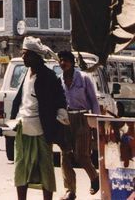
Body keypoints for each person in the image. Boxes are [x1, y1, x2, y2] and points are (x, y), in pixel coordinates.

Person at [11, 36, 69, 200]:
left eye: (26, 54)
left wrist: (61, 114)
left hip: (43, 129)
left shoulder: (49, 76)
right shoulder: (25, 73)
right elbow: (20, 99)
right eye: (23, 54)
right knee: (21, 167)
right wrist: (13, 119)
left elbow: (60, 98)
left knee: (45, 168)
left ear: (36, 56)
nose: (23, 57)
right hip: (24, 126)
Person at [57, 50, 101, 200]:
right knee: (66, 155)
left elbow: (94, 101)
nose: (63, 63)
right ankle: (70, 190)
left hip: (83, 118)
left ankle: (95, 178)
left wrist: (95, 123)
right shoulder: (59, 80)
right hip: (66, 119)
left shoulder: (84, 78)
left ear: (72, 62)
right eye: (61, 60)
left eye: (66, 60)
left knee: (82, 155)